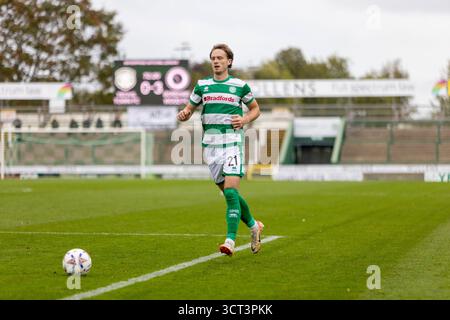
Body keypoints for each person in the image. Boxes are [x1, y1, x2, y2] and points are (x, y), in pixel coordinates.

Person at [177, 43, 264, 256]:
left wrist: (243, 119)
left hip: (232, 142)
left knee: (232, 191)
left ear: (229, 61)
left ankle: (230, 241)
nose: (216, 61)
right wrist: (185, 114)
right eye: (213, 58)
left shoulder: (239, 86)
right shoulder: (202, 86)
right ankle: (254, 227)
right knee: (228, 194)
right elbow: (190, 108)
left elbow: (255, 110)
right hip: (211, 146)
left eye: (220, 58)